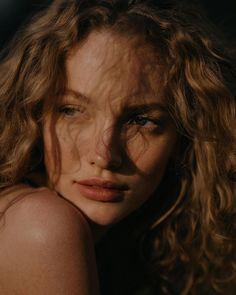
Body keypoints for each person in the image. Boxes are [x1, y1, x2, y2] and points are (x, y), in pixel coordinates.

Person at [0, 0, 235, 294]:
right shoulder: (41, 226)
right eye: (71, 110)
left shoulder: (136, 244)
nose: (104, 155)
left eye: (141, 120)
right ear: (34, 114)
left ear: (185, 135)